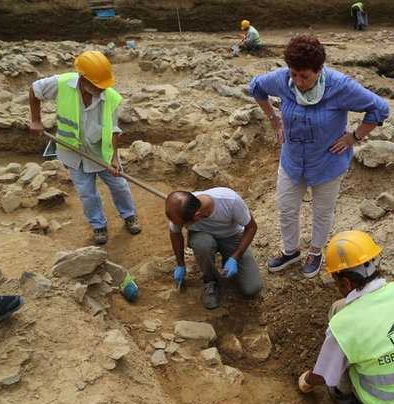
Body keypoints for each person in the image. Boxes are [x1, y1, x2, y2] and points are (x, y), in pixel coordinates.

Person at [249, 35, 389, 279]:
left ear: (319, 70)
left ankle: (315, 252)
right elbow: (257, 87)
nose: (298, 82)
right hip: (292, 160)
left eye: (305, 76)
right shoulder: (283, 80)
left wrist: (353, 137)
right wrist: (273, 118)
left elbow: (379, 108)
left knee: (322, 211)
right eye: (294, 74)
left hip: (326, 162)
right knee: (286, 208)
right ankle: (290, 251)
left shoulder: (340, 86)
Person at [297, 231, 394, 404]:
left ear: (345, 282)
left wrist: (306, 382)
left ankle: (344, 398)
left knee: (342, 354)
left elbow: (324, 374)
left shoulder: (344, 323)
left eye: (336, 280)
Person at [29, 51, 141, 245]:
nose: (101, 90)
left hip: (101, 152)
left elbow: (114, 130)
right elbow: (34, 89)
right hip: (73, 152)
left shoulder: (111, 98)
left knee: (120, 186)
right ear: (83, 78)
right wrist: (36, 120)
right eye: (97, 86)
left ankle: (129, 216)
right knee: (87, 193)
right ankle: (99, 226)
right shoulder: (62, 83)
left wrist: (114, 159)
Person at [166, 189, 263, 310]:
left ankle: (228, 258)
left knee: (252, 287)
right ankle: (210, 282)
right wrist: (180, 264)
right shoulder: (181, 211)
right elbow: (175, 233)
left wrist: (235, 257)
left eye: (184, 225)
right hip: (203, 235)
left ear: (197, 216)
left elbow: (252, 227)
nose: (181, 226)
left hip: (231, 236)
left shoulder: (230, 201)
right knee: (202, 244)